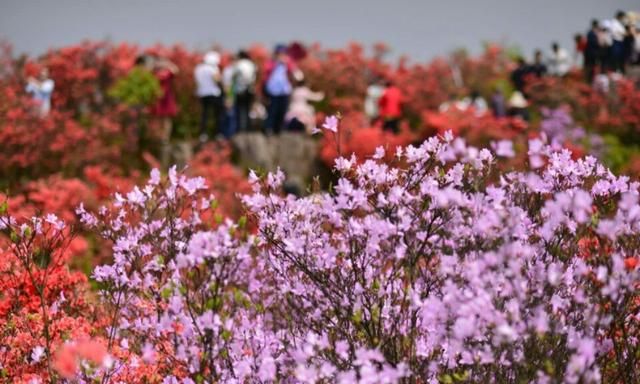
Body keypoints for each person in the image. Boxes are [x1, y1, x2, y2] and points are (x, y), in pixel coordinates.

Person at [151, 57, 179, 166]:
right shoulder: (156, 73)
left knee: (166, 119)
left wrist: (167, 63)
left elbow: (175, 70)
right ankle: (161, 136)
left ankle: (165, 137)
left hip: (166, 99)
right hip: (159, 98)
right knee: (160, 120)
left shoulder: (165, 73)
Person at [263, 44, 295, 135]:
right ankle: (269, 128)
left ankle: (278, 129)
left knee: (282, 111)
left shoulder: (287, 63)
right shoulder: (271, 63)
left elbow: (293, 72)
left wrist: (287, 63)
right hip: (273, 91)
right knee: (272, 111)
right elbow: (266, 73)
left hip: (284, 91)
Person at [194, 51, 224, 142]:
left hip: (202, 93)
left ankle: (203, 134)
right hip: (214, 93)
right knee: (217, 115)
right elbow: (217, 80)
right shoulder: (213, 68)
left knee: (204, 114)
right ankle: (217, 133)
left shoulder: (198, 68)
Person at [230, 50, 257, 134]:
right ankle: (248, 128)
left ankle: (241, 129)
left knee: (240, 110)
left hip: (240, 90)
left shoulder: (239, 64)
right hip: (249, 90)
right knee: (248, 109)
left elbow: (233, 76)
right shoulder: (251, 64)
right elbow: (254, 76)